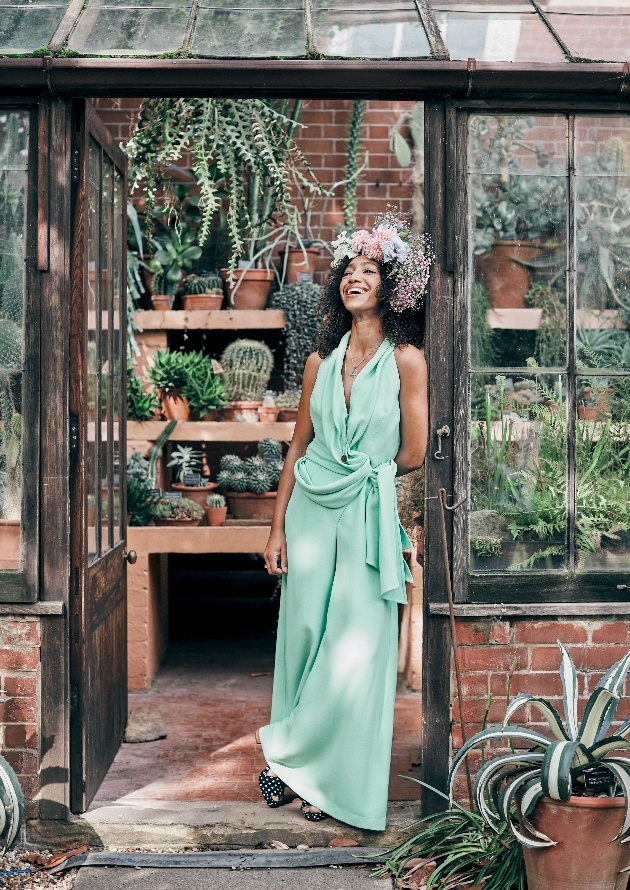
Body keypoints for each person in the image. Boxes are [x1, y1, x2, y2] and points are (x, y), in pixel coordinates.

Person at [256, 210, 431, 830]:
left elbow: (413, 451)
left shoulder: (408, 359)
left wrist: (369, 475)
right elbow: (297, 446)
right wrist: (275, 527)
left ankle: (318, 774)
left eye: (369, 270)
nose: (355, 277)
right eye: (349, 270)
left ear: (394, 287)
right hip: (307, 513)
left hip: (365, 515)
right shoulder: (318, 363)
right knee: (305, 642)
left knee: (351, 653)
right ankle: (302, 772)